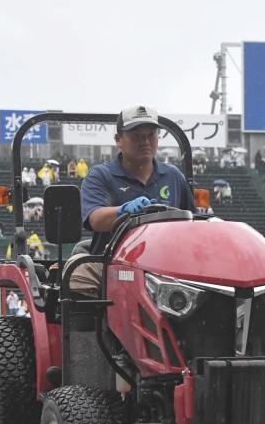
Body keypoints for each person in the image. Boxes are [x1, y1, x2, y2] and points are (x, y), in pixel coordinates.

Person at [71, 105, 195, 296]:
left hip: (167, 264)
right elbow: (95, 219)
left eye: (150, 135)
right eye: (136, 136)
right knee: (78, 273)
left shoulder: (173, 176)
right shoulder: (101, 175)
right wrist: (123, 210)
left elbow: (193, 222)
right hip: (111, 263)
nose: (144, 141)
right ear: (118, 140)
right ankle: (89, 325)